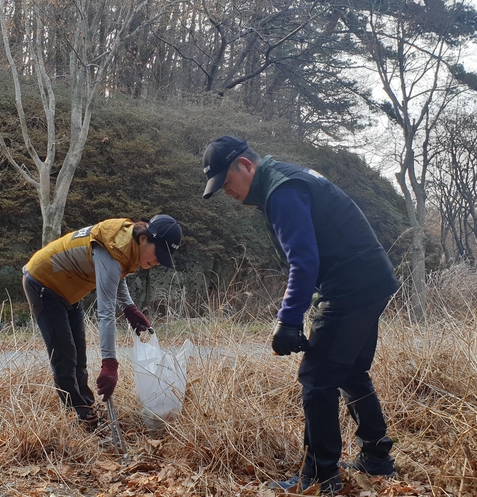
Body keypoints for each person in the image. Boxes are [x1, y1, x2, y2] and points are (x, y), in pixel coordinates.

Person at [200, 136, 400, 494]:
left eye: (227, 182)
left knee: (315, 380)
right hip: (371, 278)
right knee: (350, 371)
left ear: (246, 166)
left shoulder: (282, 191)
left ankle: (321, 478)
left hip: (351, 285)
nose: (226, 191)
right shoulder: (285, 178)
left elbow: (304, 261)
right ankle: (377, 457)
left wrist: (288, 320)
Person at [22, 215, 182, 426]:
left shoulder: (126, 244)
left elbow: (117, 274)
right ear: (144, 238)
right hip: (43, 283)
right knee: (65, 354)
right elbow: (105, 312)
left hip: (68, 291)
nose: (157, 262)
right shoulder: (114, 246)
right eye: (158, 253)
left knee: (79, 355)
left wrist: (129, 308)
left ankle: (86, 407)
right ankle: (78, 414)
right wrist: (109, 364)